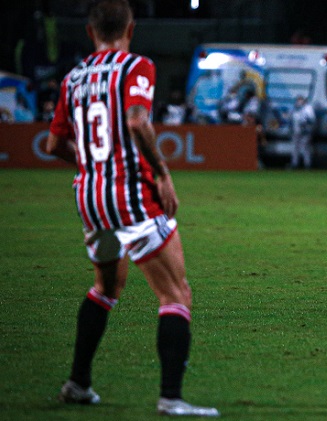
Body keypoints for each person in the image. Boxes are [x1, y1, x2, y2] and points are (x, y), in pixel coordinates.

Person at [46, 1, 219, 417]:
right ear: (131, 28)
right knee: (175, 292)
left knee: (106, 287)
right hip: (129, 195)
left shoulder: (73, 79)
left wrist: (93, 165)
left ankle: (78, 384)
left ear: (90, 32)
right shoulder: (134, 66)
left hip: (88, 195)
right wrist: (161, 173)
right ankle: (171, 399)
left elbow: (54, 145)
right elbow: (139, 120)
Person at [289, 95, 315, 169]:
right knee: (295, 148)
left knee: (305, 148)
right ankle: (294, 164)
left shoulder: (308, 109)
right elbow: (291, 120)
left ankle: (307, 164)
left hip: (305, 132)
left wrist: (305, 123)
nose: (299, 101)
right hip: (295, 131)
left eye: (301, 100)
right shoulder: (294, 109)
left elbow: (311, 120)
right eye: (298, 100)